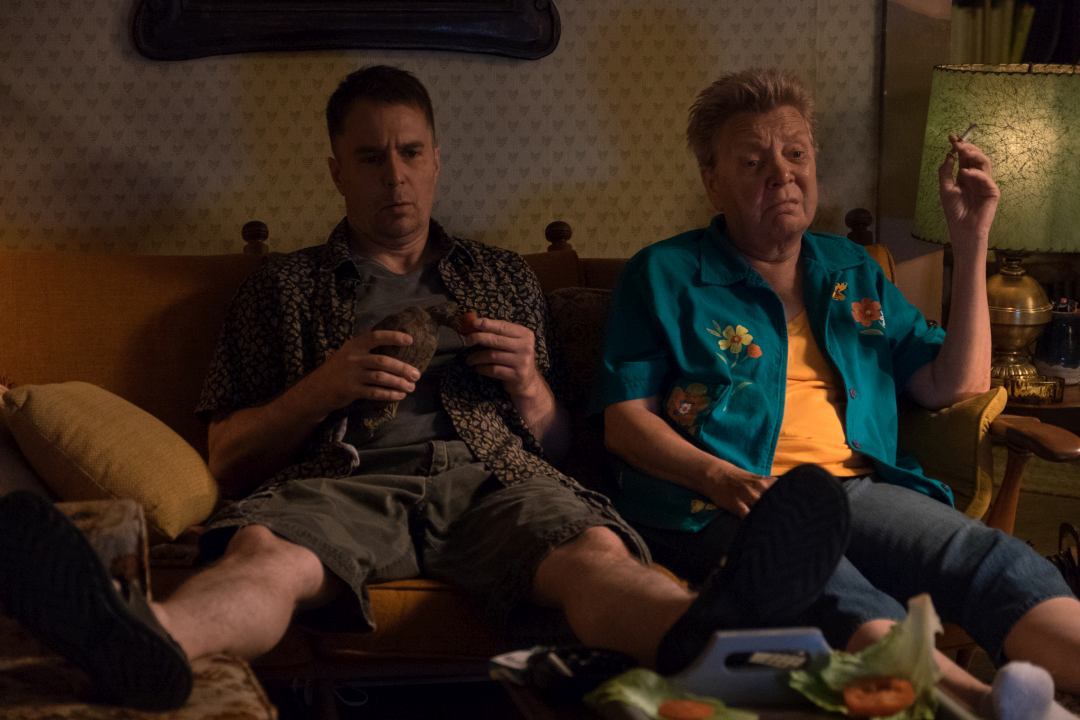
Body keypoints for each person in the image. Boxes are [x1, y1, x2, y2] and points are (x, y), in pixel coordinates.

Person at [0, 65, 853, 711]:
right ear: (336, 170)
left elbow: (568, 450)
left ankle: (702, 634)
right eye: (371, 158)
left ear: (437, 159)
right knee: (265, 557)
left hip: (498, 481)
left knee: (593, 554)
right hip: (343, 481)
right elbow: (226, 456)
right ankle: (145, 641)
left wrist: (530, 386)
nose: (395, 177)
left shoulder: (504, 277)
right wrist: (322, 388)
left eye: (411, 153)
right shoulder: (282, 287)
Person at [596, 67, 1080, 718]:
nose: (782, 174)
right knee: (828, 585)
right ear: (712, 181)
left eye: (796, 154)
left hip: (856, 488)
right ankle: (982, 705)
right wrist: (718, 476)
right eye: (753, 161)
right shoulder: (663, 274)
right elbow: (625, 420)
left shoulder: (852, 269)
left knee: (988, 555)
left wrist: (971, 242)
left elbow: (954, 382)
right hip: (722, 498)